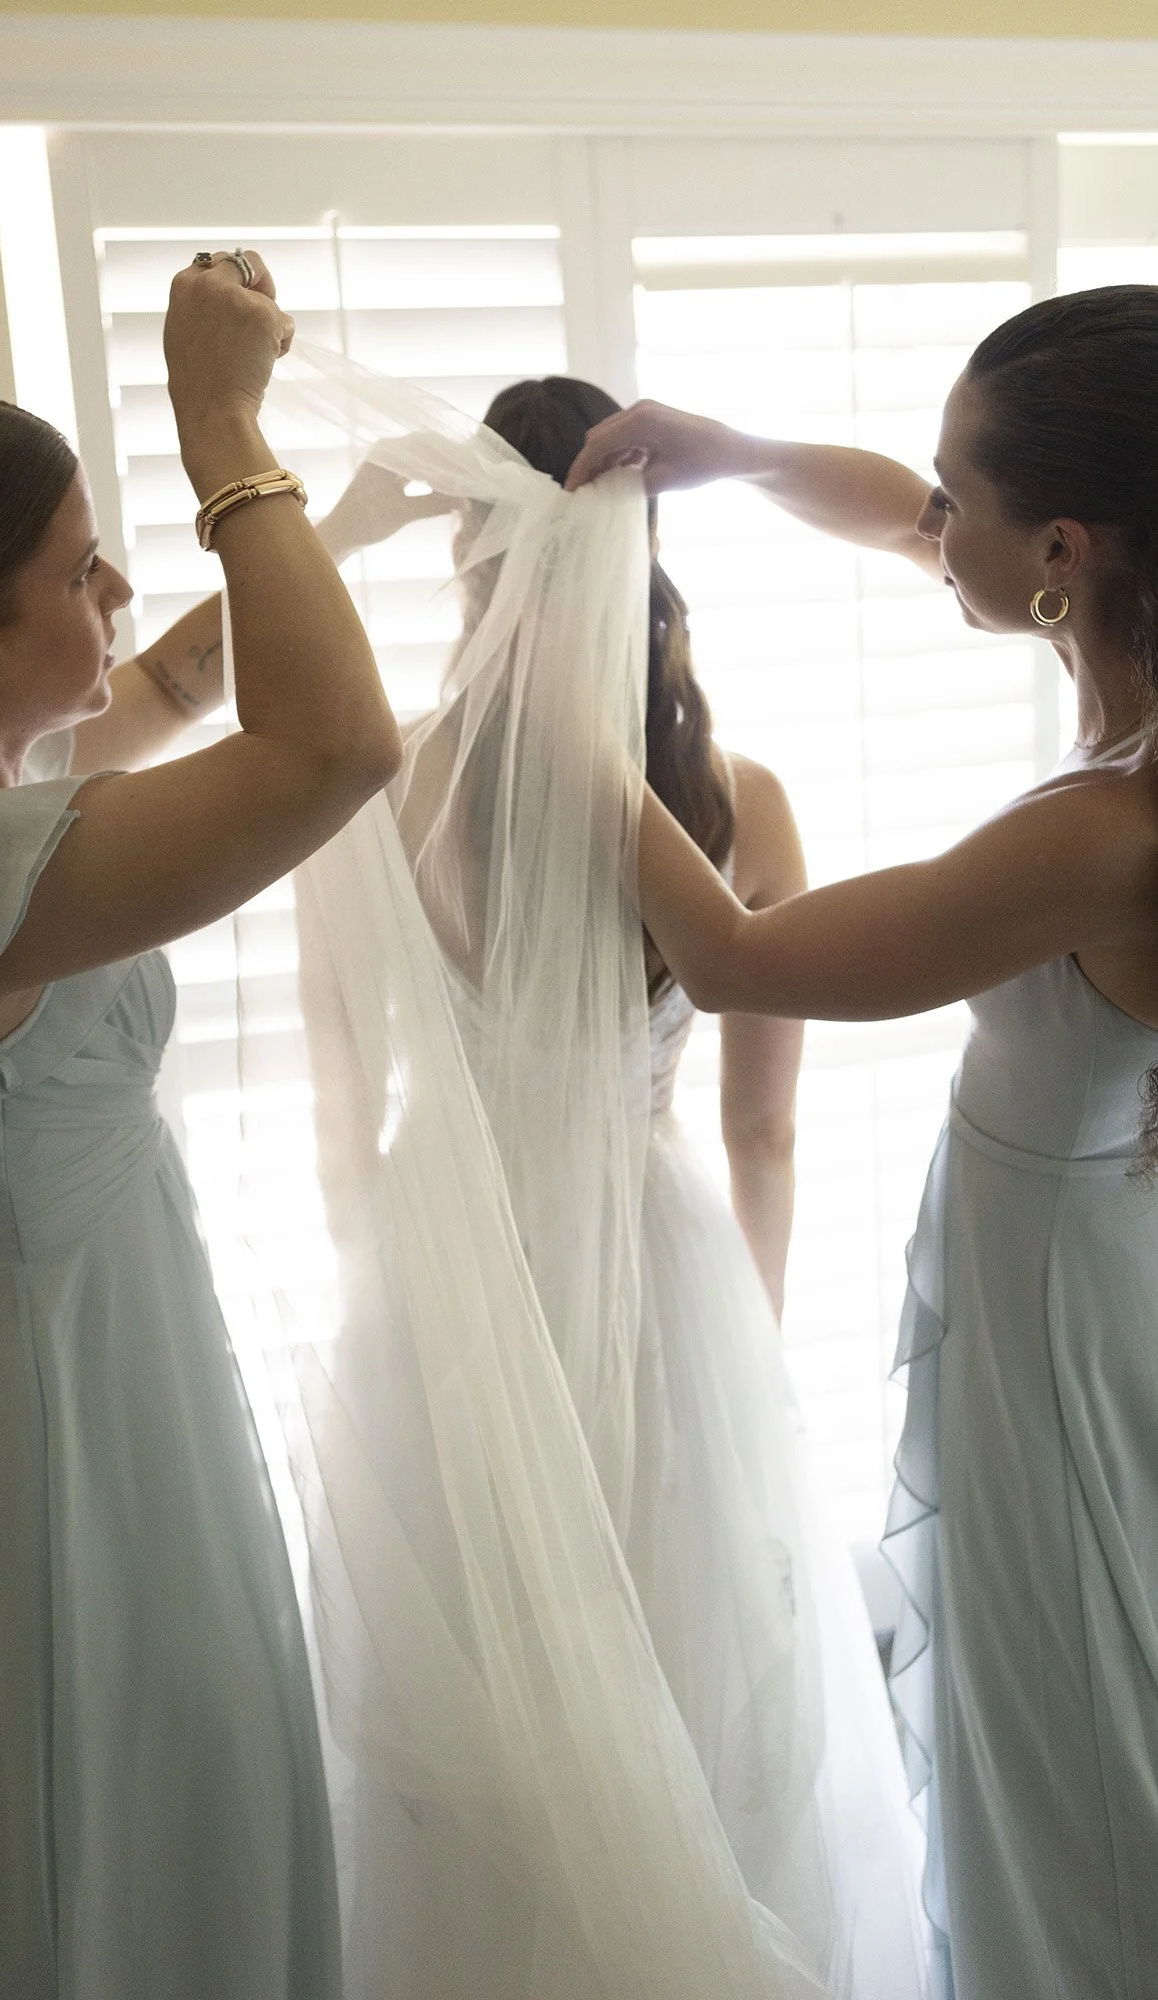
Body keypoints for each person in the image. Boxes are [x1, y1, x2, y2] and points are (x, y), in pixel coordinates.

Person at [297, 370, 929, 1998]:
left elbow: (342, 1116)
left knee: (465, 1731)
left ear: (468, 557)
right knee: (692, 1685)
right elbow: (763, 1133)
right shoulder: (742, 800)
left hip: (448, 1286)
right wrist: (749, 1345)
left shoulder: (384, 776)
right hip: (659, 1282)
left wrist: (398, 1288)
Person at [567, 284, 1158, 2000]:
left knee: (1066, 1713)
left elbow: (748, 957)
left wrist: (589, 743)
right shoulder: (1096, 634)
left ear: (1061, 544)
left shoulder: (1113, 831)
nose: (927, 516)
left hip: (1063, 1314)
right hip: (1042, 1253)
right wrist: (728, 451)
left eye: (955, 497)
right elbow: (888, 506)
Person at [0, 249, 402, 2000]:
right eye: (83, 565)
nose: (123, 584)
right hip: (48, 1424)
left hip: (13, 1362)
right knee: (111, 1817)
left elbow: (155, 690)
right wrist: (223, 431)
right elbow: (332, 754)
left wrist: (345, 531)